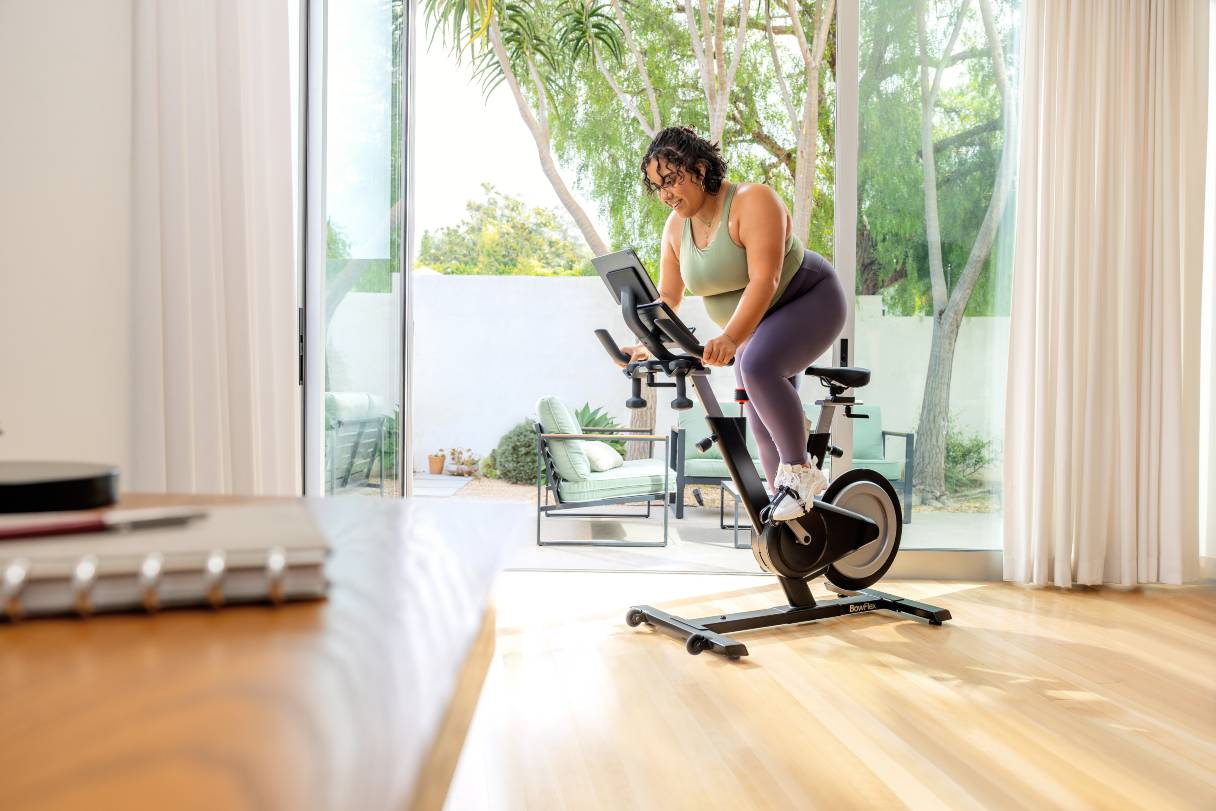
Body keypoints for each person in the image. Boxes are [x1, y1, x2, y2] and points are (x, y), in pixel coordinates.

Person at [617, 125, 847, 521]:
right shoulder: (675, 228)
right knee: (755, 407)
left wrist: (730, 337)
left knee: (754, 364)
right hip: (760, 328)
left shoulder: (752, 201)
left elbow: (766, 280)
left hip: (811, 300)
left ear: (701, 169)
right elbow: (669, 297)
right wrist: (644, 344)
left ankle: (803, 473)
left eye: (671, 180)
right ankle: (790, 513)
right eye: (657, 186)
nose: (665, 194)